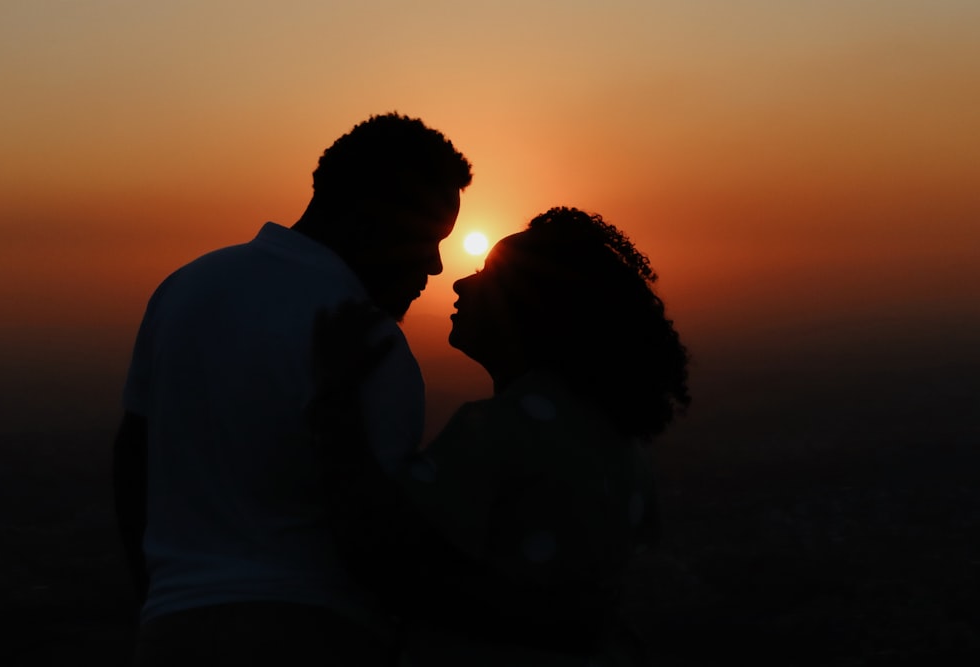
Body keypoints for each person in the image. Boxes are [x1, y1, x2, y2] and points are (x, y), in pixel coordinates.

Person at [111, 112, 473, 666]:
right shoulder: (363, 338)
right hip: (319, 631)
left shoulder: (185, 289)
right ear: (366, 215)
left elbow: (132, 460)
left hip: (170, 631)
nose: (434, 265)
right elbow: (373, 539)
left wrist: (163, 599)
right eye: (423, 238)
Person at [309, 206, 691, 666]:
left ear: (530, 307)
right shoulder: (616, 440)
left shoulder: (500, 432)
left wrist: (337, 402)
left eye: (486, 275)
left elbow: (384, 553)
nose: (458, 283)